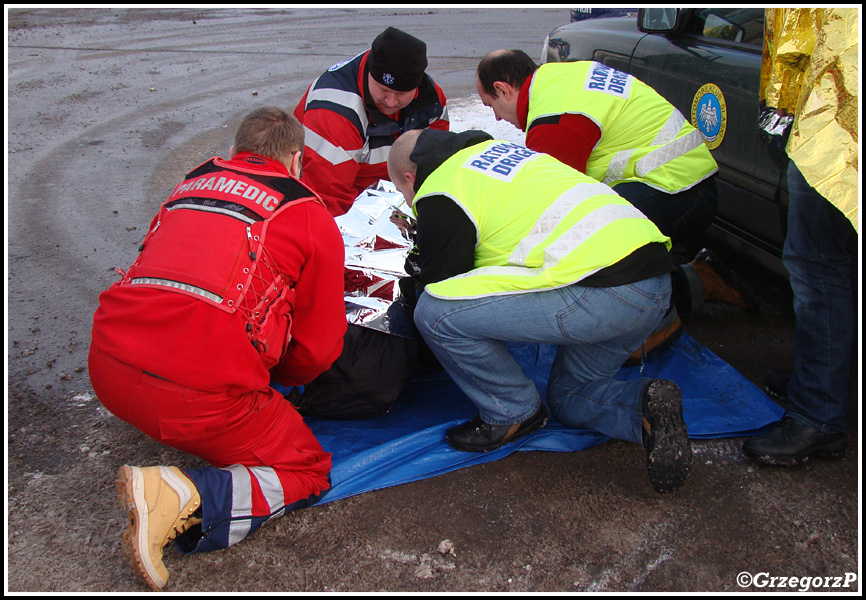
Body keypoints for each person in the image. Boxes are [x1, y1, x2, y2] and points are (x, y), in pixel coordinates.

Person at [88, 107, 347, 590]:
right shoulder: (310, 214)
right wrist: (273, 382)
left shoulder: (190, 183)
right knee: (307, 467)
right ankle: (184, 496)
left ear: (234, 154)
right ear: (297, 161)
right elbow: (318, 350)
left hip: (105, 367)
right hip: (195, 401)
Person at [387, 128, 693, 494]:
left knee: (435, 313)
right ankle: (645, 405)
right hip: (655, 284)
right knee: (570, 395)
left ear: (410, 177)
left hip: (603, 292)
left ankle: (512, 412)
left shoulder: (441, 189)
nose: (410, 202)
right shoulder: (499, 154)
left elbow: (446, 286)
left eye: (405, 194)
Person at [474, 50, 757, 361]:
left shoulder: (555, 117)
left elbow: (546, 205)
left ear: (503, 88)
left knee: (595, 244)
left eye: (492, 106)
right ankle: (698, 278)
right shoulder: (560, 79)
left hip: (678, 191)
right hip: (684, 183)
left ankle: (659, 321)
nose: (497, 118)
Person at [743, 8, 858, 465]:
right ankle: (821, 383)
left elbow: (792, 41)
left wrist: (778, 118)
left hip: (836, 123)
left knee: (819, 267)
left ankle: (819, 415)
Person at [294, 26, 449, 217]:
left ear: (417, 87)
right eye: (383, 90)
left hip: (390, 194)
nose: (390, 101)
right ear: (369, 73)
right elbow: (327, 204)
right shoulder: (335, 112)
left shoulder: (432, 102)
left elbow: (437, 169)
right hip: (339, 198)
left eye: (401, 93)